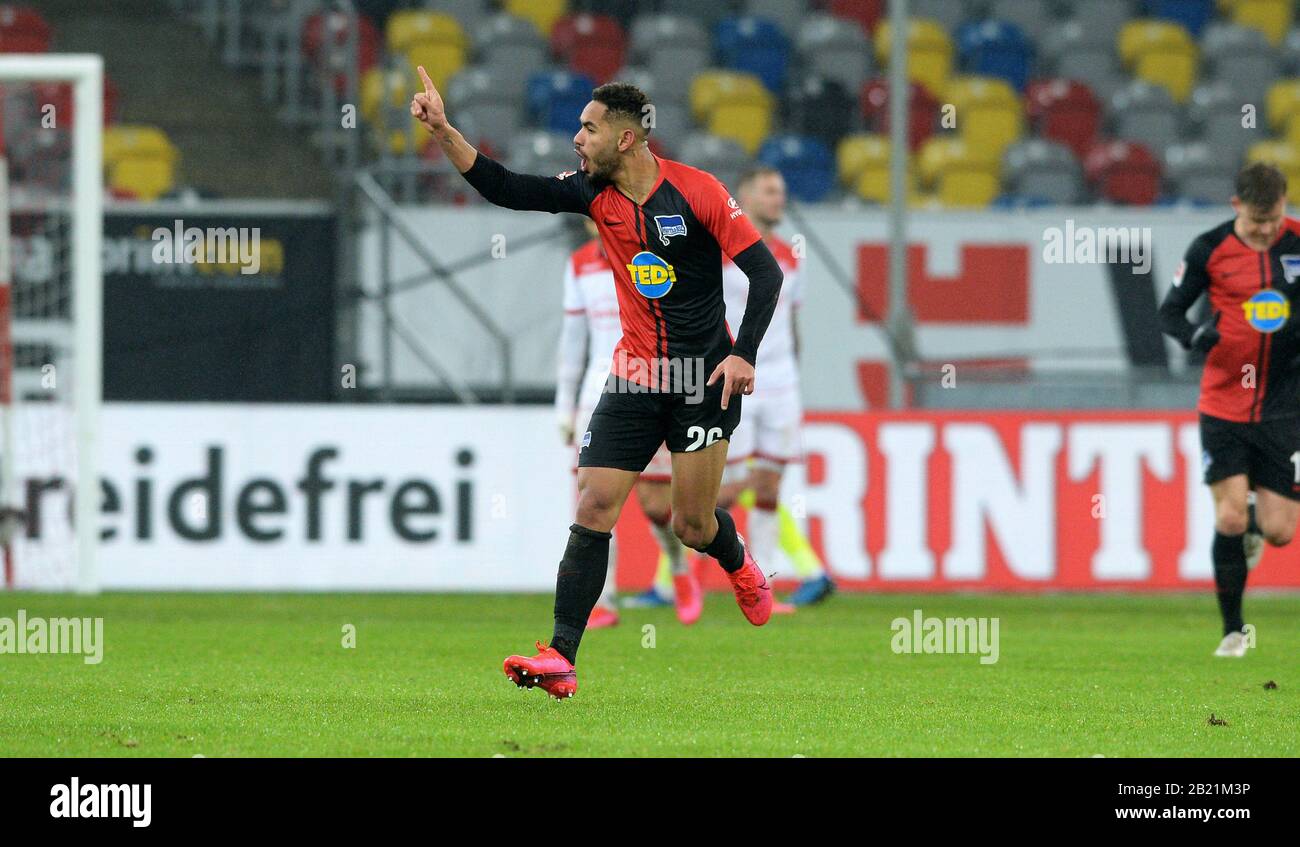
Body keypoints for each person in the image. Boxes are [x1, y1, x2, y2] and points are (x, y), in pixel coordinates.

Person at [411, 67, 784, 698]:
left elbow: (766, 274)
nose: (576, 139)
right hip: (634, 377)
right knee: (593, 507)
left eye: (588, 129)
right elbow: (504, 186)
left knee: (693, 526)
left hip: (702, 380)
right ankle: (562, 657)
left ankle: (740, 563)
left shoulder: (699, 192)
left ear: (626, 139)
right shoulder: (590, 192)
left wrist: (744, 355)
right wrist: (446, 130)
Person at [1158, 162, 1300, 658]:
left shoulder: (1298, 243)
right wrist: (1195, 336)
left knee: (1281, 533)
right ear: (1237, 206)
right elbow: (1169, 312)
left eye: (1275, 218)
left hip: (1285, 407)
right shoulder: (1208, 248)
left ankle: (1261, 522)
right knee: (1231, 517)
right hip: (1222, 402)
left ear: (1285, 203)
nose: (1266, 230)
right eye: (1257, 220)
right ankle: (1233, 631)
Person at [555, 222, 702, 629]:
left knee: (657, 505)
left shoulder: (654, 258)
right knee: (594, 501)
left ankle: (677, 565)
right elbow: (572, 340)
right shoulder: (581, 264)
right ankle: (603, 601)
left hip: (646, 383)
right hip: (596, 393)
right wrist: (563, 406)